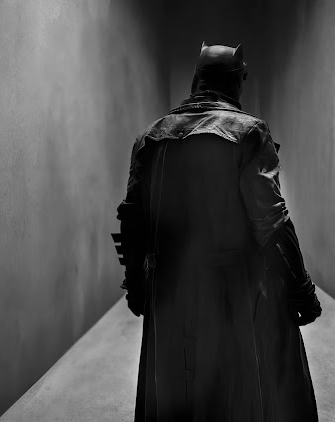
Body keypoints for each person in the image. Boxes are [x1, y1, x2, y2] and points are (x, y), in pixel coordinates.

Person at [115, 41, 322, 422]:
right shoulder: (249, 133)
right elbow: (274, 225)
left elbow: (132, 219)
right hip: (234, 294)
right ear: (235, 82)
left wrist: (137, 285)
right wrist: (302, 292)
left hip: (169, 292)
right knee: (242, 397)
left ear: (198, 80)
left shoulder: (151, 137)